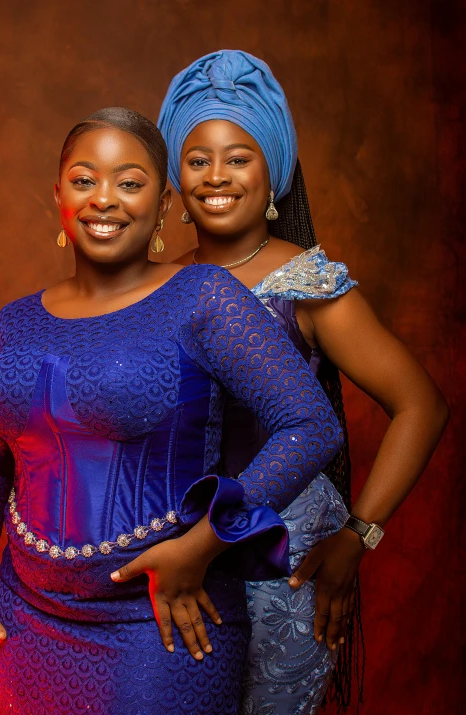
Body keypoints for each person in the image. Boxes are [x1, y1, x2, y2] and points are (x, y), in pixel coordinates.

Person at [0, 107, 344, 715]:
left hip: (161, 622)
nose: (103, 200)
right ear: (58, 194)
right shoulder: (12, 324)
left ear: (163, 201)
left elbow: (310, 424)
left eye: (129, 182)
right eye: (84, 180)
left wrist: (200, 547)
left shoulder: (203, 297)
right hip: (26, 623)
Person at [158, 50, 449, 714]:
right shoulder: (159, 284)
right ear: (176, 176)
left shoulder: (305, 283)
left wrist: (359, 535)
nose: (217, 176)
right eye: (198, 159)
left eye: (239, 156)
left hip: (284, 569)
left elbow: (421, 406)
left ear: (274, 173)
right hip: (185, 560)